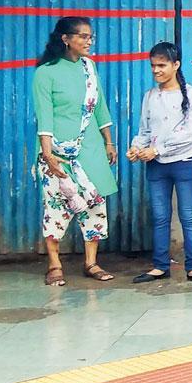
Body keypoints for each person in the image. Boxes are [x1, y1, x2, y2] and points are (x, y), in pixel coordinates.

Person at [32, 16, 118, 285]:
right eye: (82, 36)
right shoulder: (45, 72)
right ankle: (54, 264)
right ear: (65, 38)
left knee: (95, 205)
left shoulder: (89, 68)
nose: (88, 41)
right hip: (56, 151)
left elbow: (99, 105)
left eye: (90, 36)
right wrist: (48, 156)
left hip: (90, 147)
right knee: (56, 206)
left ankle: (91, 263)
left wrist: (108, 141)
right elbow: (44, 116)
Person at [127, 42, 192, 284]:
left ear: (176, 65)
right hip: (156, 166)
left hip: (186, 163)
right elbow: (145, 129)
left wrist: (157, 150)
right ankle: (160, 266)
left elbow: (189, 133)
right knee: (160, 216)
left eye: (162, 65)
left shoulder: (191, 95)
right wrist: (136, 147)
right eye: (153, 65)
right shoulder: (150, 96)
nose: (156, 70)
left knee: (188, 216)